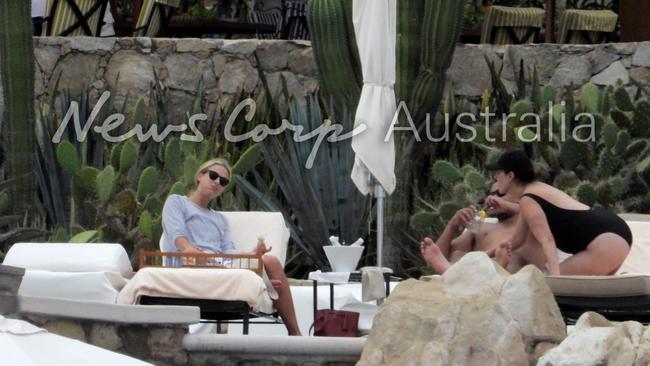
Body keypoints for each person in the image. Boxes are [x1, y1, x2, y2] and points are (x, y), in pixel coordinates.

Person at [162, 158, 302, 335]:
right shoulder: (177, 202)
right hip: (189, 261)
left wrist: (252, 254)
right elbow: (176, 233)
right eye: (213, 176)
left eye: (223, 182)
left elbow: (229, 252)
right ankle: (264, 283)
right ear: (199, 176)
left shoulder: (220, 219)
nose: (217, 182)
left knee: (271, 261)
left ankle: (295, 334)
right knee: (208, 259)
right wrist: (189, 249)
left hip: (217, 264)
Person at [485, 150, 632, 276]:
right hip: (615, 232)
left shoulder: (528, 199)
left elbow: (547, 241)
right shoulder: (535, 190)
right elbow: (518, 239)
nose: (495, 178)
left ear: (510, 176)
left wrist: (555, 279)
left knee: (545, 280)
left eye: (498, 173)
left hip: (606, 241)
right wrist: (484, 256)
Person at [419, 183, 541, 274]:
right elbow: (442, 256)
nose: (492, 200)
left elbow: (541, 213)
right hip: (476, 271)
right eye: (491, 195)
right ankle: (450, 269)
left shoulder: (530, 223)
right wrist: (452, 226)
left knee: (514, 260)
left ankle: (499, 266)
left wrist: (512, 207)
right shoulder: (481, 224)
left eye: (500, 194)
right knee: (458, 256)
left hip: (510, 273)